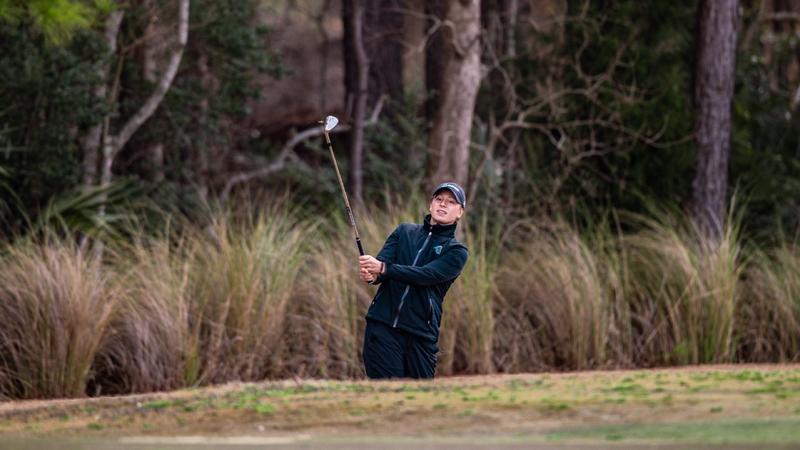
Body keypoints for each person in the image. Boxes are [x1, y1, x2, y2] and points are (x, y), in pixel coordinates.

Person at [358, 182, 469, 379]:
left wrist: (384, 268)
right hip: (382, 327)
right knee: (388, 394)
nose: (443, 205)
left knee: (421, 399)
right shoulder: (404, 232)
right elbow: (382, 267)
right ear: (431, 204)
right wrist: (373, 274)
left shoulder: (456, 252)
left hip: (420, 334)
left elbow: (426, 275)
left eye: (451, 202)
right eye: (439, 199)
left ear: (460, 212)